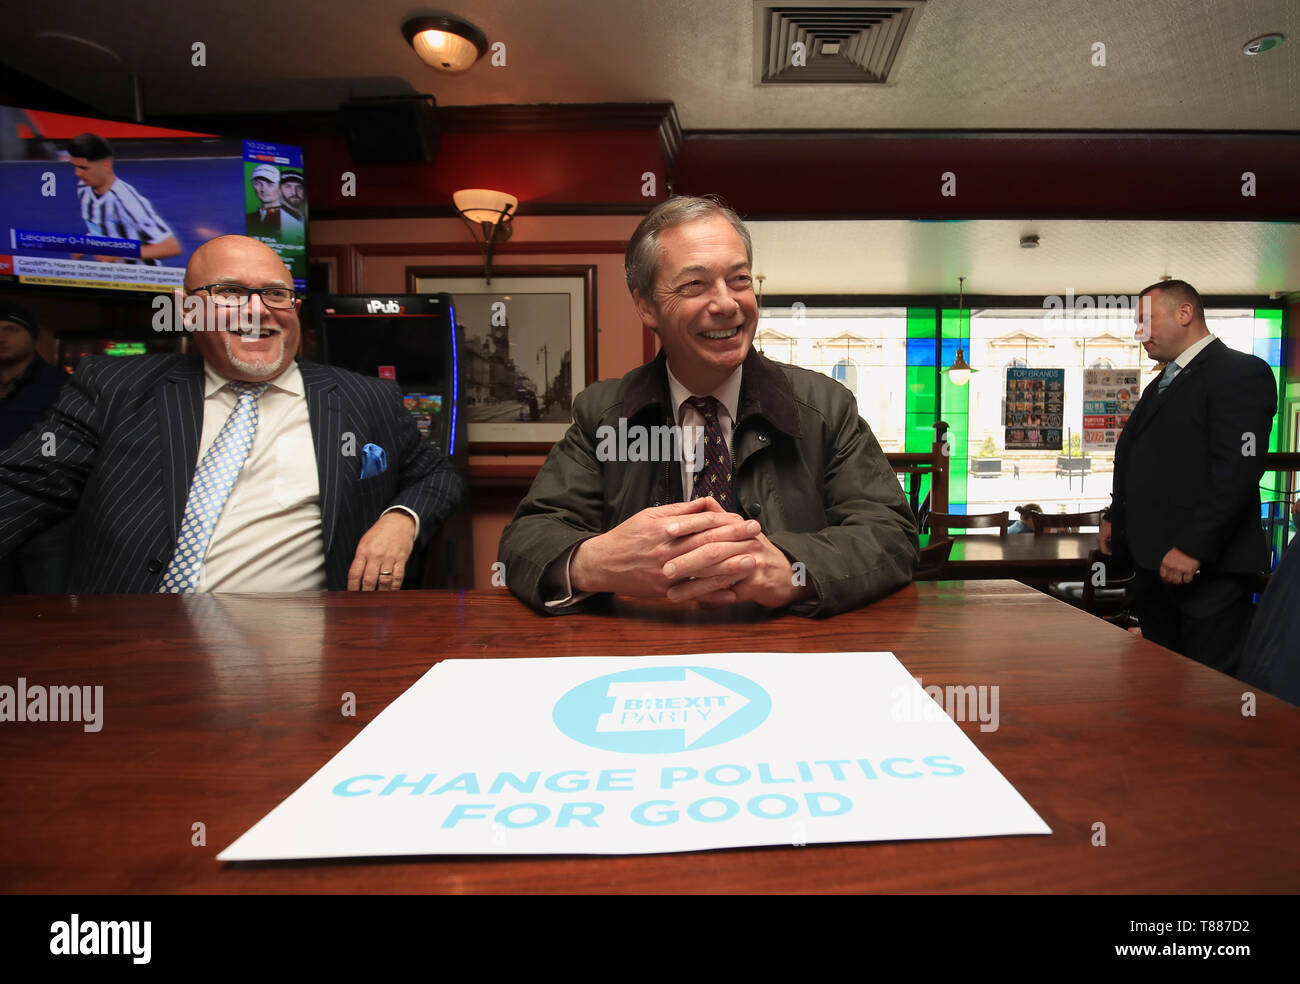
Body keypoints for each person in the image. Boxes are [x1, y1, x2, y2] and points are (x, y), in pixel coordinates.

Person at [498, 195, 918, 616]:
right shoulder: (603, 415)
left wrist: (790, 569)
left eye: (739, 280)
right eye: (695, 285)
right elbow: (525, 541)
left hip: (791, 654)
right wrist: (598, 563)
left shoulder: (826, 407)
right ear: (647, 306)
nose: (727, 304)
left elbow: (892, 536)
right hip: (645, 654)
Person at [0, 235, 463, 593]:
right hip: (132, 644)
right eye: (230, 292)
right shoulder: (116, 388)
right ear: (189, 311)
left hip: (303, 648)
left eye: (276, 294)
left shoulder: (365, 399)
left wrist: (401, 519)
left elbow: (436, 475)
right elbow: (20, 486)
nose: (257, 311)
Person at [1099, 280, 1276, 673]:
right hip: (1153, 568)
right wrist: (1116, 516)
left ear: (1185, 314)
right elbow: (1147, 460)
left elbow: (1238, 469)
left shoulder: (1240, 372)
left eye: (1146, 321)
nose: (1138, 333)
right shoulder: (1162, 382)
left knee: (1208, 691)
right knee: (1164, 685)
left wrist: (1194, 547)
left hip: (1206, 571)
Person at [0, 300, 73, 592]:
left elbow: (60, 452)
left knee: (50, 608)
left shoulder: (64, 387)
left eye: (11, 329)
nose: (1, 337)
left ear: (32, 337)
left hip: (47, 525)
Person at [67, 133, 181, 264]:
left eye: (83, 168)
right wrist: (86, 243)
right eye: (74, 167)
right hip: (108, 278)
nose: (77, 173)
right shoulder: (83, 188)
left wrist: (118, 253)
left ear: (106, 165)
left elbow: (170, 247)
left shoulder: (126, 200)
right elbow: (99, 226)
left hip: (140, 280)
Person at [246, 164, 303, 241]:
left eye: (270, 184)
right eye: (258, 184)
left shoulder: (291, 221)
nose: (263, 189)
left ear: (279, 187)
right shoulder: (249, 218)